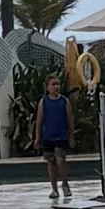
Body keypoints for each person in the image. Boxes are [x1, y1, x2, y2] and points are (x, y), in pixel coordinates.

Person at [36, 66, 74, 201]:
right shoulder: (43, 102)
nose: (56, 87)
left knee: (60, 160)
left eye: (57, 84)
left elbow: (70, 119)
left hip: (61, 135)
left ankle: (65, 184)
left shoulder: (64, 101)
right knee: (50, 162)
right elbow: (39, 120)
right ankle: (54, 189)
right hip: (48, 137)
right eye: (53, 84)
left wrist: (71, 136)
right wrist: (37, 137)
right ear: (47, 87)